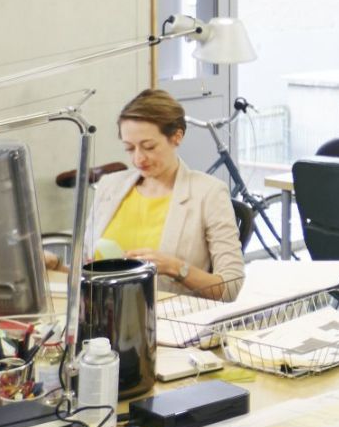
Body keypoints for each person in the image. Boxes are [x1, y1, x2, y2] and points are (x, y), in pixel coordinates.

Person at [81, 89, 245, 299]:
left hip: (167, 321)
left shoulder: (209, 194)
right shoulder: (109, 187)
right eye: (129, 148)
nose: (139, 159)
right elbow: (85, 269)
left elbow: (230, 288)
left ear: (177, 136)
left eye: (149, 147)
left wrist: (176, 268)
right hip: (103, 313)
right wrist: (57, 265)